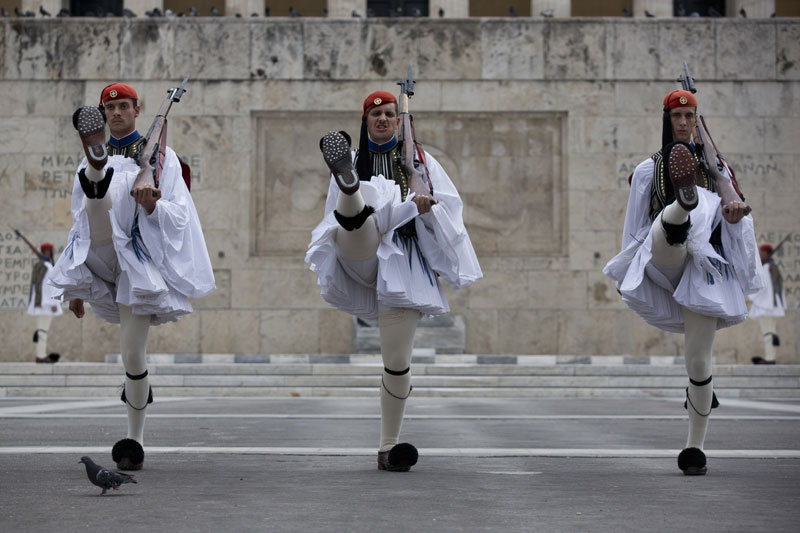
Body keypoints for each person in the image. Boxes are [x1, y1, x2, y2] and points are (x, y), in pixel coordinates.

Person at [307, 90, 482, 471]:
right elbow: (328, 220)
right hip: (361, 253)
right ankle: (352, 189)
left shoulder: (422, 162)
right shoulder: (355, 158)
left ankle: (389, 448)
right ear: (365, 121)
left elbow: (452, 213)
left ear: (399, 121)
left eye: (389, 114)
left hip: (403, 264)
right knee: (357, 220)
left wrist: (425, 202)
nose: (383, 120)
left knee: (397, 361)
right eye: (376, 115)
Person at [49, 83, 215, 470]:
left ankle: (134, 440)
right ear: (102, 115)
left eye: (124, 106)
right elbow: (79, 227)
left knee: (133, 356)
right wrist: (76, 284)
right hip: (101, 252)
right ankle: (97, 169)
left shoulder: (162, 158)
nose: (117, 113)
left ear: (137, 110)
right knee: (94, 198)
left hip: (137, 263)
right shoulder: (96, 161)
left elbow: (181, 214)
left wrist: (153, 202)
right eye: (110, 108)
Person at [604, 89, 762, 475]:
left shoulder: (719, 171)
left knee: (698, 362)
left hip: (705, 268)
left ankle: (695, 449)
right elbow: (633, 229)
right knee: (666, 232)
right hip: (664, 257)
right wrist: (627, 272)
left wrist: (736, 213)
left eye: (690, 116)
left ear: (697, 119)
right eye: (677, 116)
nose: (683, 122)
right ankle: (681, 206)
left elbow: (738, 229)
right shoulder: (648, 170)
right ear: (666, 120)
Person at [749, 243, 785, 364]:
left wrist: (751, 295)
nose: (760, 255)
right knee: (771, 333)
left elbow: (763, 287)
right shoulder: (771, 267)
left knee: (768, 334)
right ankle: (771, 357)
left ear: (767, 254)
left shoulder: (767, 268)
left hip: (766, 306)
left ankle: (770, 358)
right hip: (770, 306)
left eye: (762, 253)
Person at [27, 242, 63, 364]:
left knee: (41, 330)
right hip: (46, 305)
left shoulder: (40, 265)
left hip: (42, 303)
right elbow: (46, 287)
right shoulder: (47, 266)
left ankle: (40, 355)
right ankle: (41, 356)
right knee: (43, 331)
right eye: (51, 251)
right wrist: (53, 303)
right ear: (48, 252)